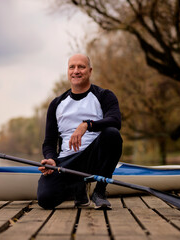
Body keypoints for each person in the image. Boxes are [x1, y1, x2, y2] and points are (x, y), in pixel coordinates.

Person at [37, 53, 123, 210]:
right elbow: (49, 142)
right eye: (72, 67)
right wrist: (50, 159)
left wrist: (86, 125)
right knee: (45, 200)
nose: (76, 71)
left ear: (90, 71)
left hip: (92, 158)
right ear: (68, 71)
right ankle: (79, 189)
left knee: (112, 134)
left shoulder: (104, 96)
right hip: (66, 162)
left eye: (81, 67)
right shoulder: (56, 104)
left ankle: (99, 192)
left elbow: (115, 121)